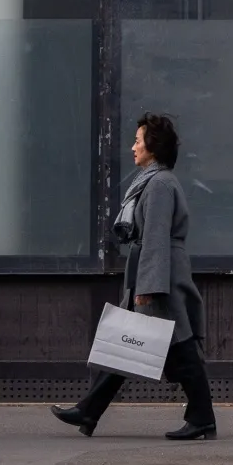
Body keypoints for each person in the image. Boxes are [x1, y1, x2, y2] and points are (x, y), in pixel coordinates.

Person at [52, 113, 216, 441]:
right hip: (157, 270)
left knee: (176, 348)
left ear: (153, 147)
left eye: (138, 141)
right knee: (128, 344)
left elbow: (155, 235)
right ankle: (89, 410)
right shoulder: (155, 181)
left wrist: (148, 287)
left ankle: (202, 418)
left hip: (162, 275)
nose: (133, 147)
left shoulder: (159, 184)